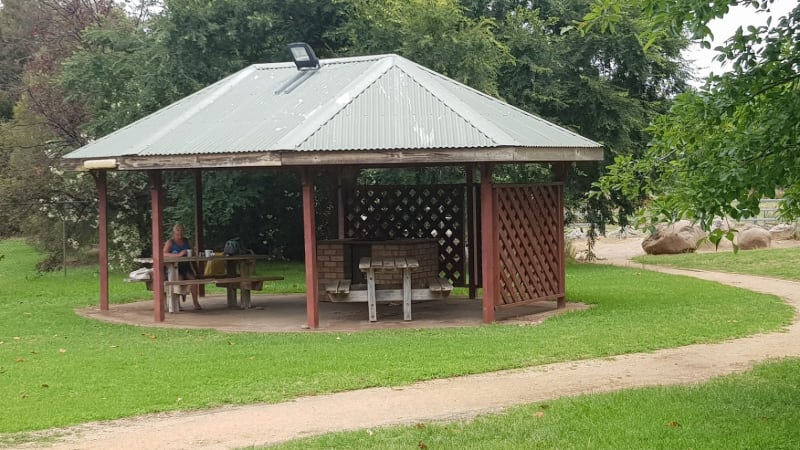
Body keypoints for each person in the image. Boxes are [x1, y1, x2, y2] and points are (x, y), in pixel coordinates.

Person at [163, 223, 201, 310]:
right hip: (174, 268)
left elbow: (193, 255)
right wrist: (179, 255)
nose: (180, 232)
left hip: (186, 267)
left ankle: (196, 302)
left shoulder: (188, 241)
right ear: (174, 231)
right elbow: (163, 253)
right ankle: (178, 304)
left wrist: (191, 255)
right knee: (178, 279)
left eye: (182, 230)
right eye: (178, 230)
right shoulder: (170, 242)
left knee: (193, 280)